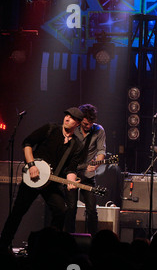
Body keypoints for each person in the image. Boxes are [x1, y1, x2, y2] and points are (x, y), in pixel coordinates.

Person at [0, 108, 84, 249]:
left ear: (78, 124)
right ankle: (3, 245)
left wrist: (71, 181)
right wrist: (31, 165)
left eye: (72, 118)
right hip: (32, 178)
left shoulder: (76, 145)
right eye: (67, 115)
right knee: (17, 212)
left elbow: (71, 169)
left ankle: (48, 247)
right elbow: (27, 143)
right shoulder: (50, 129)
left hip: (51, 182)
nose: (67, 118)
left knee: (61, 211)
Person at [64, 104, 106, 235]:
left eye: (91, 123)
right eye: (86, 123)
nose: (88, 126)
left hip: (87, 175)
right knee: (71, 208)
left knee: (92, 210)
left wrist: (97, 164)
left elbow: (101, 150)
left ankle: (94, 240)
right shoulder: (73, 129)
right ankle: (70, 238)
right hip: (70, 172)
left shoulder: (99, 130)